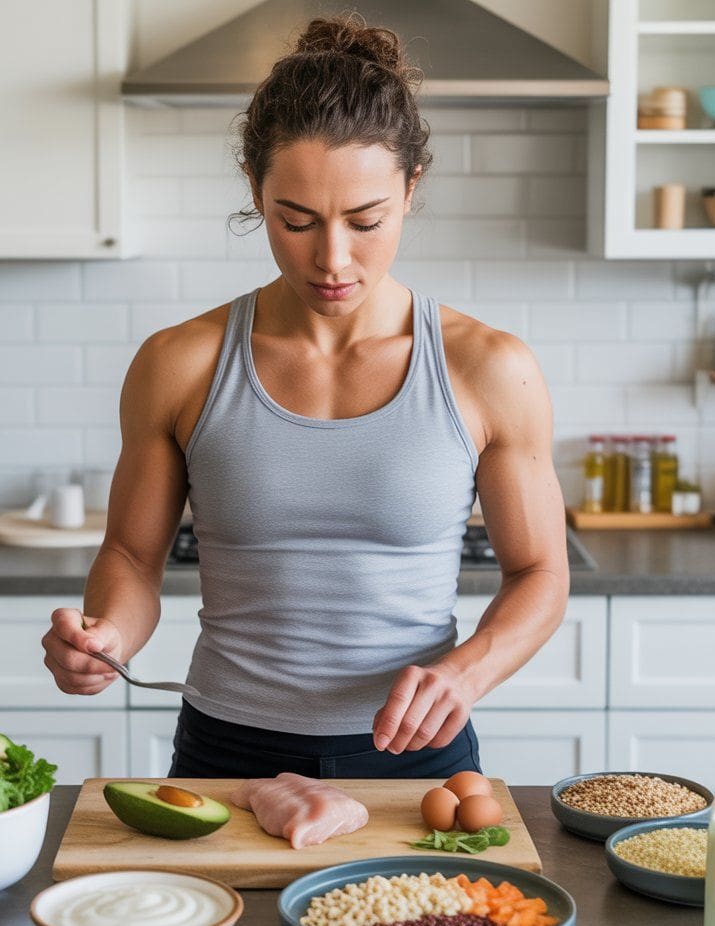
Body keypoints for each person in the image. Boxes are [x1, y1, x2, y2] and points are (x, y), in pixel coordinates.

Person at [42, 16, 569, 779]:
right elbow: (130, 554)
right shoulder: (180, 364)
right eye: (296, 221)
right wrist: (107, 637)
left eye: (365, 221)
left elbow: (541, 574)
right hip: (226, 753)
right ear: (256, 192)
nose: (332, 259)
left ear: (410, 190)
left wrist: (467, 672)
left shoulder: (488, 368)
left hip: (416, 759)